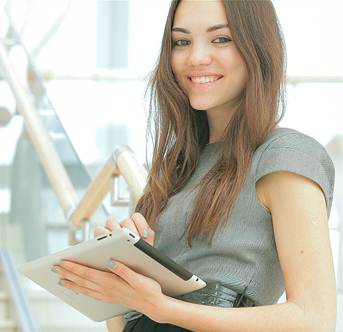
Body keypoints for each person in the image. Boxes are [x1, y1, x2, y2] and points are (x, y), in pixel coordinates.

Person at [52, 0, 336, 331]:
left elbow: (314, 320)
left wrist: (161, 307)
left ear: (257, 46)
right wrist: (118, 275)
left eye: (221, 39)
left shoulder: (286, 155)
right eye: (181, 41)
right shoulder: (174, 169)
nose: (196, 57)